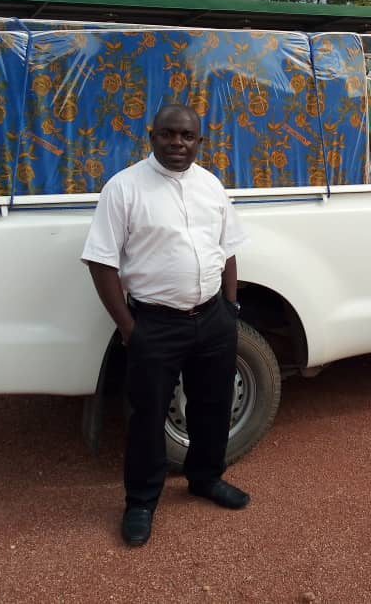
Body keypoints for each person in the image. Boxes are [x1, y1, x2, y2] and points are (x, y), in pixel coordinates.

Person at [81, 103, 249, 547]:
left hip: (213, 318)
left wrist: (230, 306)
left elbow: (227, 248)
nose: (178, 143)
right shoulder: (124, 189)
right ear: (151, 136)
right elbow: (101, 263)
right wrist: (129, 327)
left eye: (188, 136)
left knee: (212, 405)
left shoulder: (211, 185)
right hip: (154, 323)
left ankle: (205, 478)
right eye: (169, 134)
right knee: (146, 416)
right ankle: (140, 501)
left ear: (200, 141)